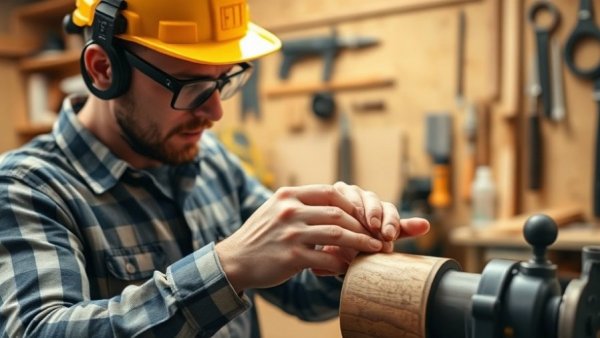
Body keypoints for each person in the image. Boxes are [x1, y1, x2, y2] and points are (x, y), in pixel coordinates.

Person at [0, 0, 430, 337]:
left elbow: (300, 295)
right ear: (104, 68)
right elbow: (39, 329)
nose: (215, 111)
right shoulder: (27, 187)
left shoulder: (211, 160)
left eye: (224, 80)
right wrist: (226, 267)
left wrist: (341, 254)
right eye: (192, 86)